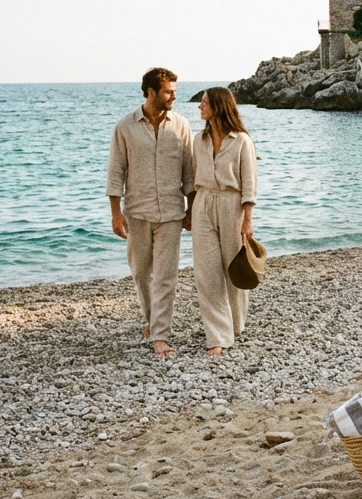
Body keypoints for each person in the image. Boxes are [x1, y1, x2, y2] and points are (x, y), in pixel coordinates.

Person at [107, 68, 194, 357]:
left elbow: (189, 172)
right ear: (151, 92)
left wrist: (191, 209)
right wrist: (116, 213)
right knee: (141, 273)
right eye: (169, 91)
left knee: (166, 276)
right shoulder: (125, 127)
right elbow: (116, 171)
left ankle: (159, 335)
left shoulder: (181, 126)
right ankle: (152, 320)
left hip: (171, 212)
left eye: (174, 91)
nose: (174, 96)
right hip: (137, 212)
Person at [187, 86, 257, 356]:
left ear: (218, 106)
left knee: (234, 269)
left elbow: (249, 184)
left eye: (204, 102)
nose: (200, 106)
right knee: (206, 273)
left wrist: (247, 220)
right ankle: (218, 335)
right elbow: (193, 179)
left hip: (232, 204)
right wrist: (190, 211)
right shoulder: (198, 140)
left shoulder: (241, 141)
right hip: (203, 202)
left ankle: (235, 325)